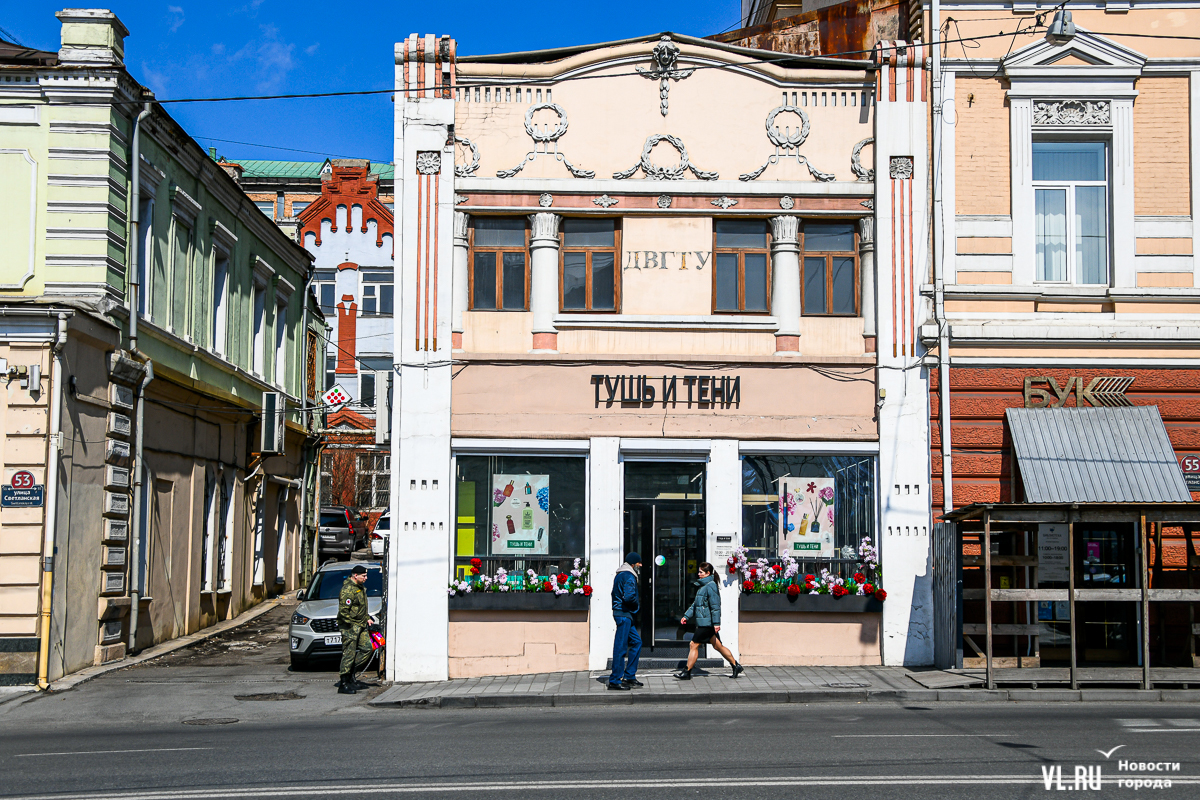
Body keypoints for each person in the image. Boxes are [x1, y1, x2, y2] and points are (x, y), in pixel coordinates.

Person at [675, 562, 744, 680]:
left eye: (701, 572)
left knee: (693, 644)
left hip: (706, 624)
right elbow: (695, 605)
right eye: (699, 572)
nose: (698, 574)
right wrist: (686, 616)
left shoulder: (711, 586)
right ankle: (735, 665)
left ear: (707, 573)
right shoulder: (703, 586)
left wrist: (716, 623)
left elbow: (715, 606)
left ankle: (687, 672)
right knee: (718, 646)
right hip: (705, 622)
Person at [337, 564, 375, 694]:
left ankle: (352, 673)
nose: (366, 578)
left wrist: (367, 617)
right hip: (350, 626)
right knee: (349, 653)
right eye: (364, 576)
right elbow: (343, 612)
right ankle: (344, 683)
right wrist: (351, 625)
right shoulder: (348, 590)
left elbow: (360, 608)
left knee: (367, 648)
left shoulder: (360, 588)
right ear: (355, 576)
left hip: (361, 624)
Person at [608, 552, 643, 690]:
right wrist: (636, 607)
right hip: (624, 614)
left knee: (636, 642)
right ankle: (615, 680)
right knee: (621, 647)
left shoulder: (620, 574)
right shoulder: (629, 576)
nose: (640, 565)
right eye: (639, 563)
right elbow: (629, 597)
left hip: (623, 614)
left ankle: (629, 676)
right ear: (633, 564)